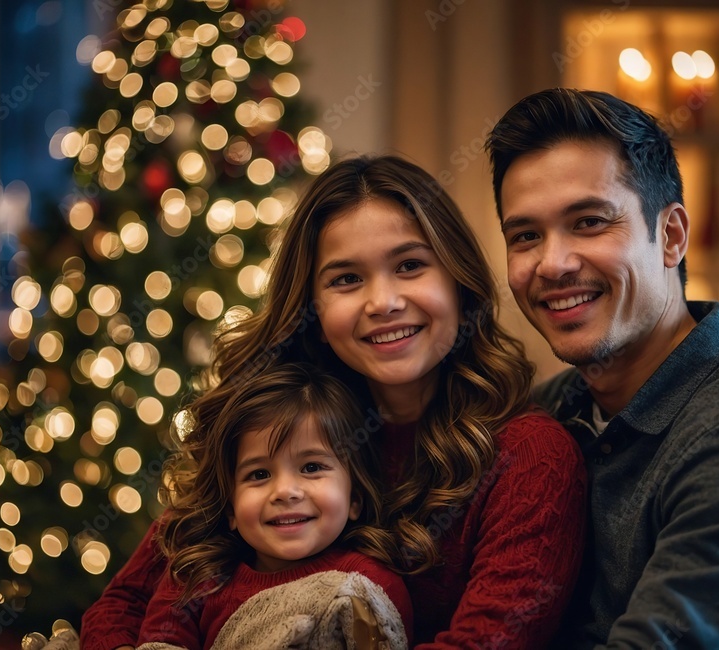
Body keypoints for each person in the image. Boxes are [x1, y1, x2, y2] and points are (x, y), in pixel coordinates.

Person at [80, 155, 587, 649]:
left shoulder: (530, 456)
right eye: (346, 279)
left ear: (459, 283)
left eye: (410, 265)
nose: (382, 302)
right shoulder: (275, 428)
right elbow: (121, 604)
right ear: (312, 310)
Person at [486, 87, 719, 648]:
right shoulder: (553, 411)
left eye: (589, 222)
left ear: (672, 235)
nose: (553, 263)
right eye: (526, 236)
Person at [135, 362, 411, 649]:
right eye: (259, 474)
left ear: (355, 498)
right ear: (230, 509)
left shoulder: (368, 585)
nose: (284, 491)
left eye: (312, 467)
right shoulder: (196, 583)